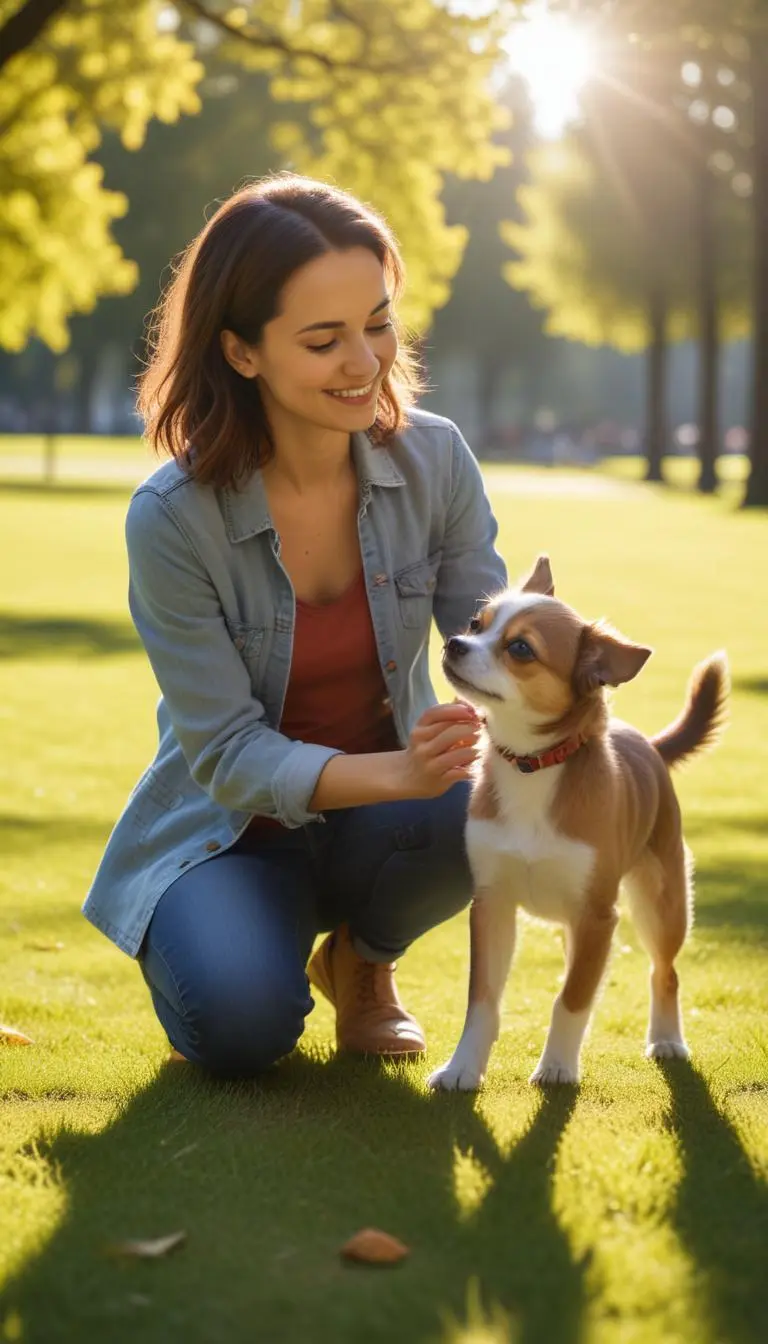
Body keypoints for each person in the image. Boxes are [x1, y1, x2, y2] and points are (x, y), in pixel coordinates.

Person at [83, 174, 507, 1078]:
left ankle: (363, 958)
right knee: (240, 1030)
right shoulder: (172, 517)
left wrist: (565, 718)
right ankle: (235, 949)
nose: (367, 361)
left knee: (477, 802)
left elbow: (493, 636)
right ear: (241, 353)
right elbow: (227, 753)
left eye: (379, 323)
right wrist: (399, 769)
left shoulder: (436, 459)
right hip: (227, 834)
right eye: (324, 340)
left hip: (386, 828)